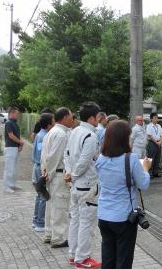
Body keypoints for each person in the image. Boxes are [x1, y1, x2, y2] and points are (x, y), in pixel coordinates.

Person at [95, 120, 151, 269]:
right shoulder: (130, 158)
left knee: (108, 258)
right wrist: (145, 169)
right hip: (124, 217)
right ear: (124, 138)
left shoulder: (101, 158)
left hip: (104, 215)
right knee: (124, 261)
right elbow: (143, 184)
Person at [65, 102, 102, 268]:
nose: (99, 120)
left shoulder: (74, 131)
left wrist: (69, 173)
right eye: (99, 117)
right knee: (86, 223)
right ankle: (83, 258)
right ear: (92, 118)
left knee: (76, 220)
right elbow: (84, 162)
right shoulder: (90, 135)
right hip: (86, 185)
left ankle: (73, 255)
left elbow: (66, 154)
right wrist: (73, 175)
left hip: (75, 186)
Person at [41, 107, 73, 248]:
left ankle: (49, 234)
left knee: (51, 205)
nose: (72, 119)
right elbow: (54, 157)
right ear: (65, 117)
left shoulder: (51, 132)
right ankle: (58, 238)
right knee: (59, 207)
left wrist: (45, 174)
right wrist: (51, 175)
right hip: (58, 174)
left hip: (50, 174)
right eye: (71, 117)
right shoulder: (61, 134)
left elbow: (45, 156)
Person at [32, 113, 55, 232]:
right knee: (42, 195)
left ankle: (36, 220)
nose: (55, 123)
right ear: (49, 124)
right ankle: (40, 223)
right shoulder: (44, 136)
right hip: (40, 167)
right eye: (53, 121)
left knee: (39, 194)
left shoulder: (40, 134)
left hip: (36, 166)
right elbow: (43, 154)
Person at [3, 107, 24, 194]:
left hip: (15, 148)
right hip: (10, 148)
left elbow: (17, 136)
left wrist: (20, 144)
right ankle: (7, 186)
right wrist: (21, 142)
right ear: (11, 113)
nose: (18, 115)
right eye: (17, 113)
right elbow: (11, 136)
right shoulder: (9, 123)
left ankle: (12, 184)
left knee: (14, 168)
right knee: (9, 168)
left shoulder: (15, 123)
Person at [146, 113, 162, 178]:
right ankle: (149, 173)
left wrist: (160, 141)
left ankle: (155, 172)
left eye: (157, 118)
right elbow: (149, 135)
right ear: (151, 119)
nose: (156, 119)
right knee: (151, 158)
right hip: (152, 143)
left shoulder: (158, 126)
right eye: (155, 118)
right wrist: (156, 142)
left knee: (157, 158)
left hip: (158, 143)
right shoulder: (149, 126)